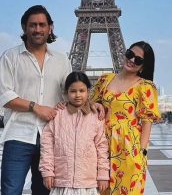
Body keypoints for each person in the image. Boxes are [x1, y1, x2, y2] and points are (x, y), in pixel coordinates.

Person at [0, 5, 72, 195]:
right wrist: (35, 107)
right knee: (10, 191)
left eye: (42, 25)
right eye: (32, 25)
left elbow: (70, 94)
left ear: (50, 27)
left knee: (44, 192)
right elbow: (4, 95)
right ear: (24, 27)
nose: (37, 29)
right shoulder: (10, 57)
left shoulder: (63, 61)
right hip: (18, 134)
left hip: (51, 136)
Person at [91, 41, 161, 194]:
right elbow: (91, 105)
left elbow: (147, 122)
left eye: (139, 60)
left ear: (143, 66)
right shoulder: (104, 80)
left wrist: (141, 154)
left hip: (129, 149)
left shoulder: (145, 86)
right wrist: (97, 106)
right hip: (101, 145)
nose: (132, 60)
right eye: (130, 54)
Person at [39, 71, 110, 195]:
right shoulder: (57, 115)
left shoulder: (95, 116)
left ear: (88, 91)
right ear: (66, 92)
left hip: (88, 182)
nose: (77, 95)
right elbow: (47, 145)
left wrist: (103, 174)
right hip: (62, 181)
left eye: (82, 91)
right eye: (73, 91)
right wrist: (47, 171)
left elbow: (102, 146)